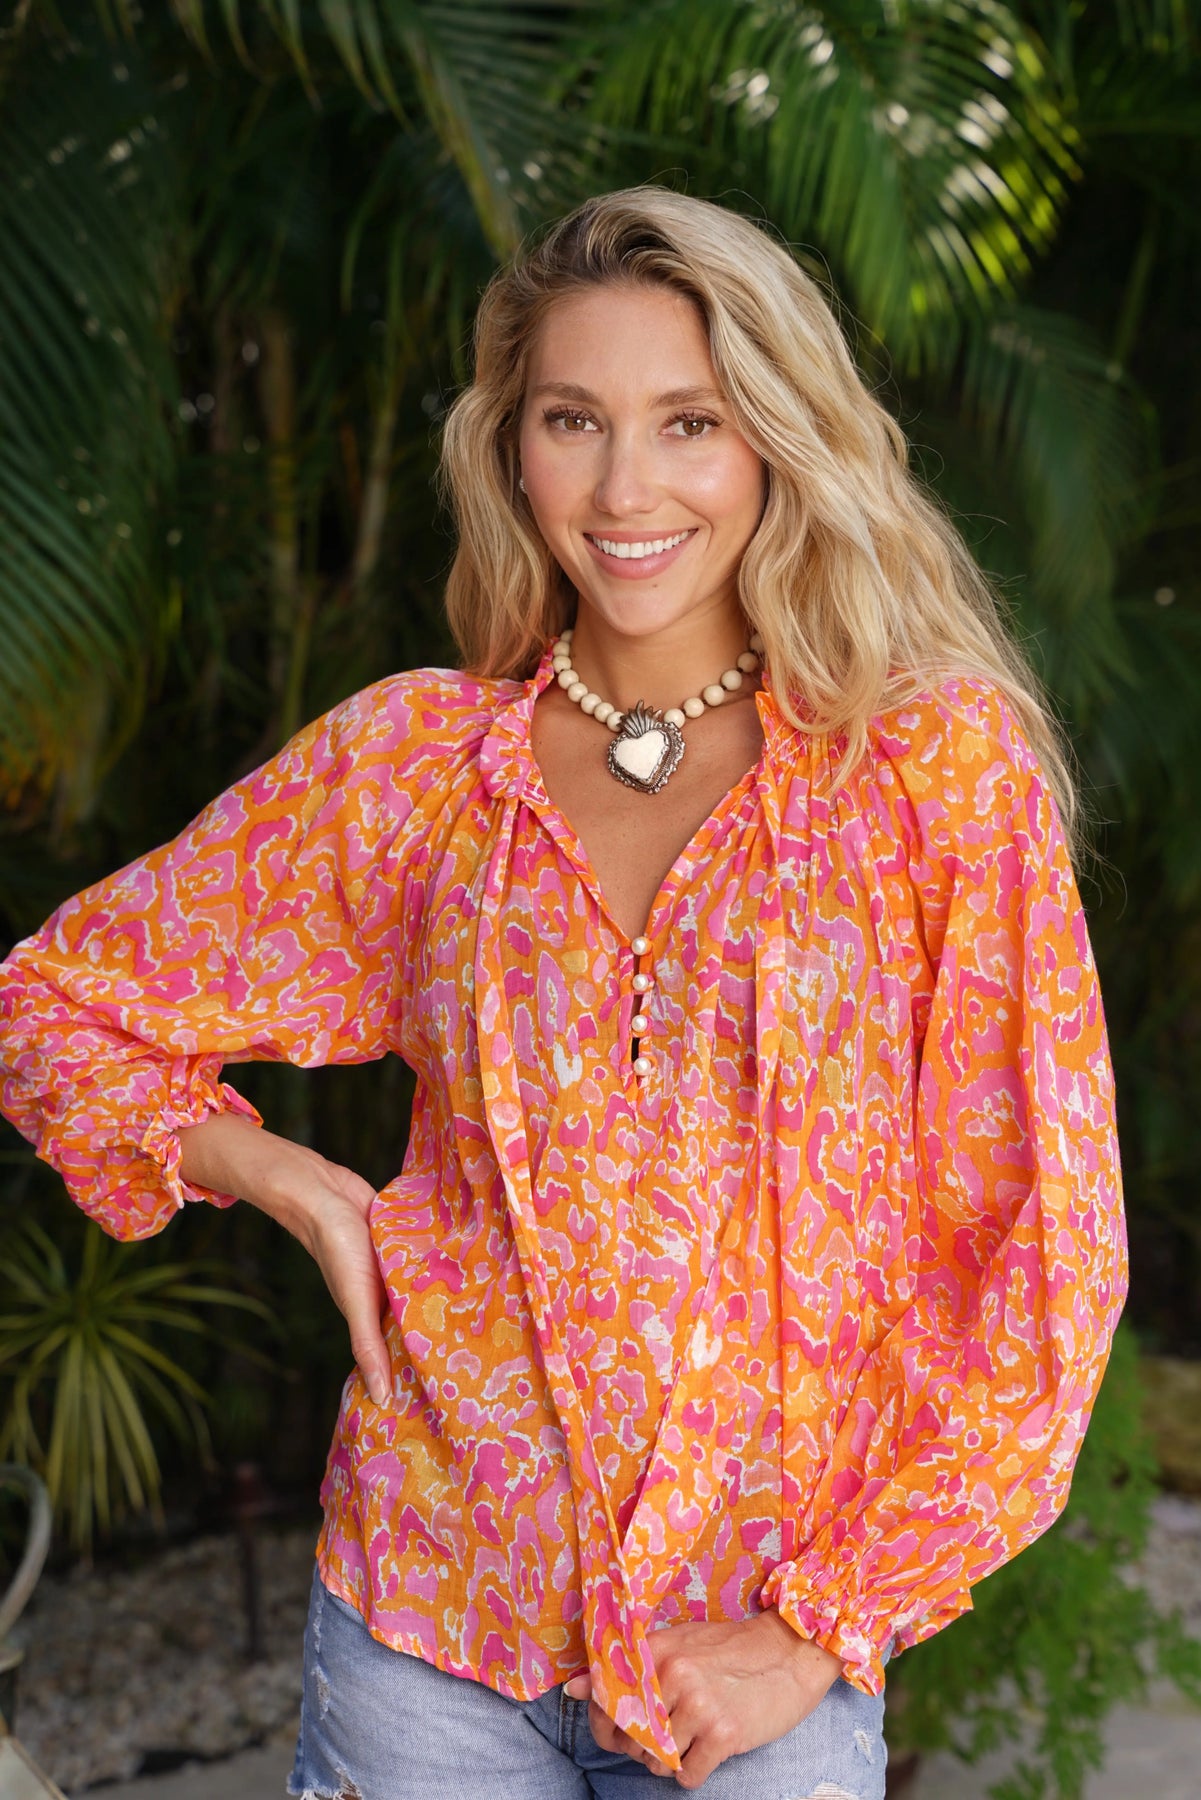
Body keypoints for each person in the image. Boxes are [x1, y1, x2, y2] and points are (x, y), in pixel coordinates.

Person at [0, 188, 1126, 1799]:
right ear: (509, 449)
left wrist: (821, 1628)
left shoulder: (928, 775)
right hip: (428, 1623)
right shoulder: (417, 771)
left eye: (689, 423)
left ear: (776, 444)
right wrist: (283, 1177)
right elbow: (54, 1003)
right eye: (571, 420)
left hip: (753, 1647)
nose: (624, 488)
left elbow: (1048, 1247)